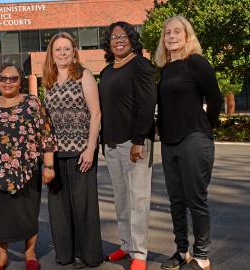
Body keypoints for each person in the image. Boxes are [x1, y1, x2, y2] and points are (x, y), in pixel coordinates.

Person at [155, 16, 223, 270]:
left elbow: (214, 99)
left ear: (187, 35)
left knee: (196, 200)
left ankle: (202, 256)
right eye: (167, 33)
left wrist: (205, 128)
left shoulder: (196, 63)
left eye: (176, 32)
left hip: (194, 140)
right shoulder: (165, 69)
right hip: (169, 143)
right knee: (176, 201)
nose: (171, 36)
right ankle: (182, 251)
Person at [0, 63, 57, 270]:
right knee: (0, 216)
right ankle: (1, 255)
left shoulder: (32, 103)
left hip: (27, 170)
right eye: (3, 78)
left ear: (20, 81)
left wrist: (49, 166)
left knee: (28, 213)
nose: (8, 82)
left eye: (13, 78)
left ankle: (30, 253)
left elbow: (46, 134)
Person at [42, 32, 103, 269]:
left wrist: (90, 149)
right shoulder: (49, 79)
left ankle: (88, 255)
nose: (63, 53)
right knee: (59, 207)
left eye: (67, 49)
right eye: (58, 49)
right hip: (55, 153)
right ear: (52, 53)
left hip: (81, 152)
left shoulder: (83, 75)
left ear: (74, 51)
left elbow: (96, 114)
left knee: (83, 205)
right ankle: (65, 254)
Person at [98, 21, 156, 270]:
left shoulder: (140, 65)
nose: (118, 40)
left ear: (132, 38)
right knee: (121, 199)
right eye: (113, 37)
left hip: (135, 143)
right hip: (111, 144)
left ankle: (140, 254)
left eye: (123, 36)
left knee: (138, 200)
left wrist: (139, 140)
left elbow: (147, 103)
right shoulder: (108, 70)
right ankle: (126, 244)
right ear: (108, 43)